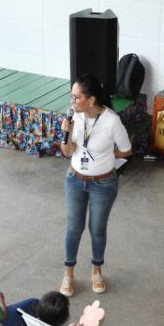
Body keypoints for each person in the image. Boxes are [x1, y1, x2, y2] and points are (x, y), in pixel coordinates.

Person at [58, 73, 132, 297]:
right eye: (71, 97)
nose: (72, 103)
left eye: (76, 97)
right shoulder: (73, 118)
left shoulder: (111, 121)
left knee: (97, 229)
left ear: (90, 100)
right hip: (75, 179)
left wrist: (108, 157)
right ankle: (68, 274)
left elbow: (127, 150)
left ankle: (96, 270)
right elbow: (67, 152)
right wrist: (67, 134)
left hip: (103, 184)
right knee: (73, 228)